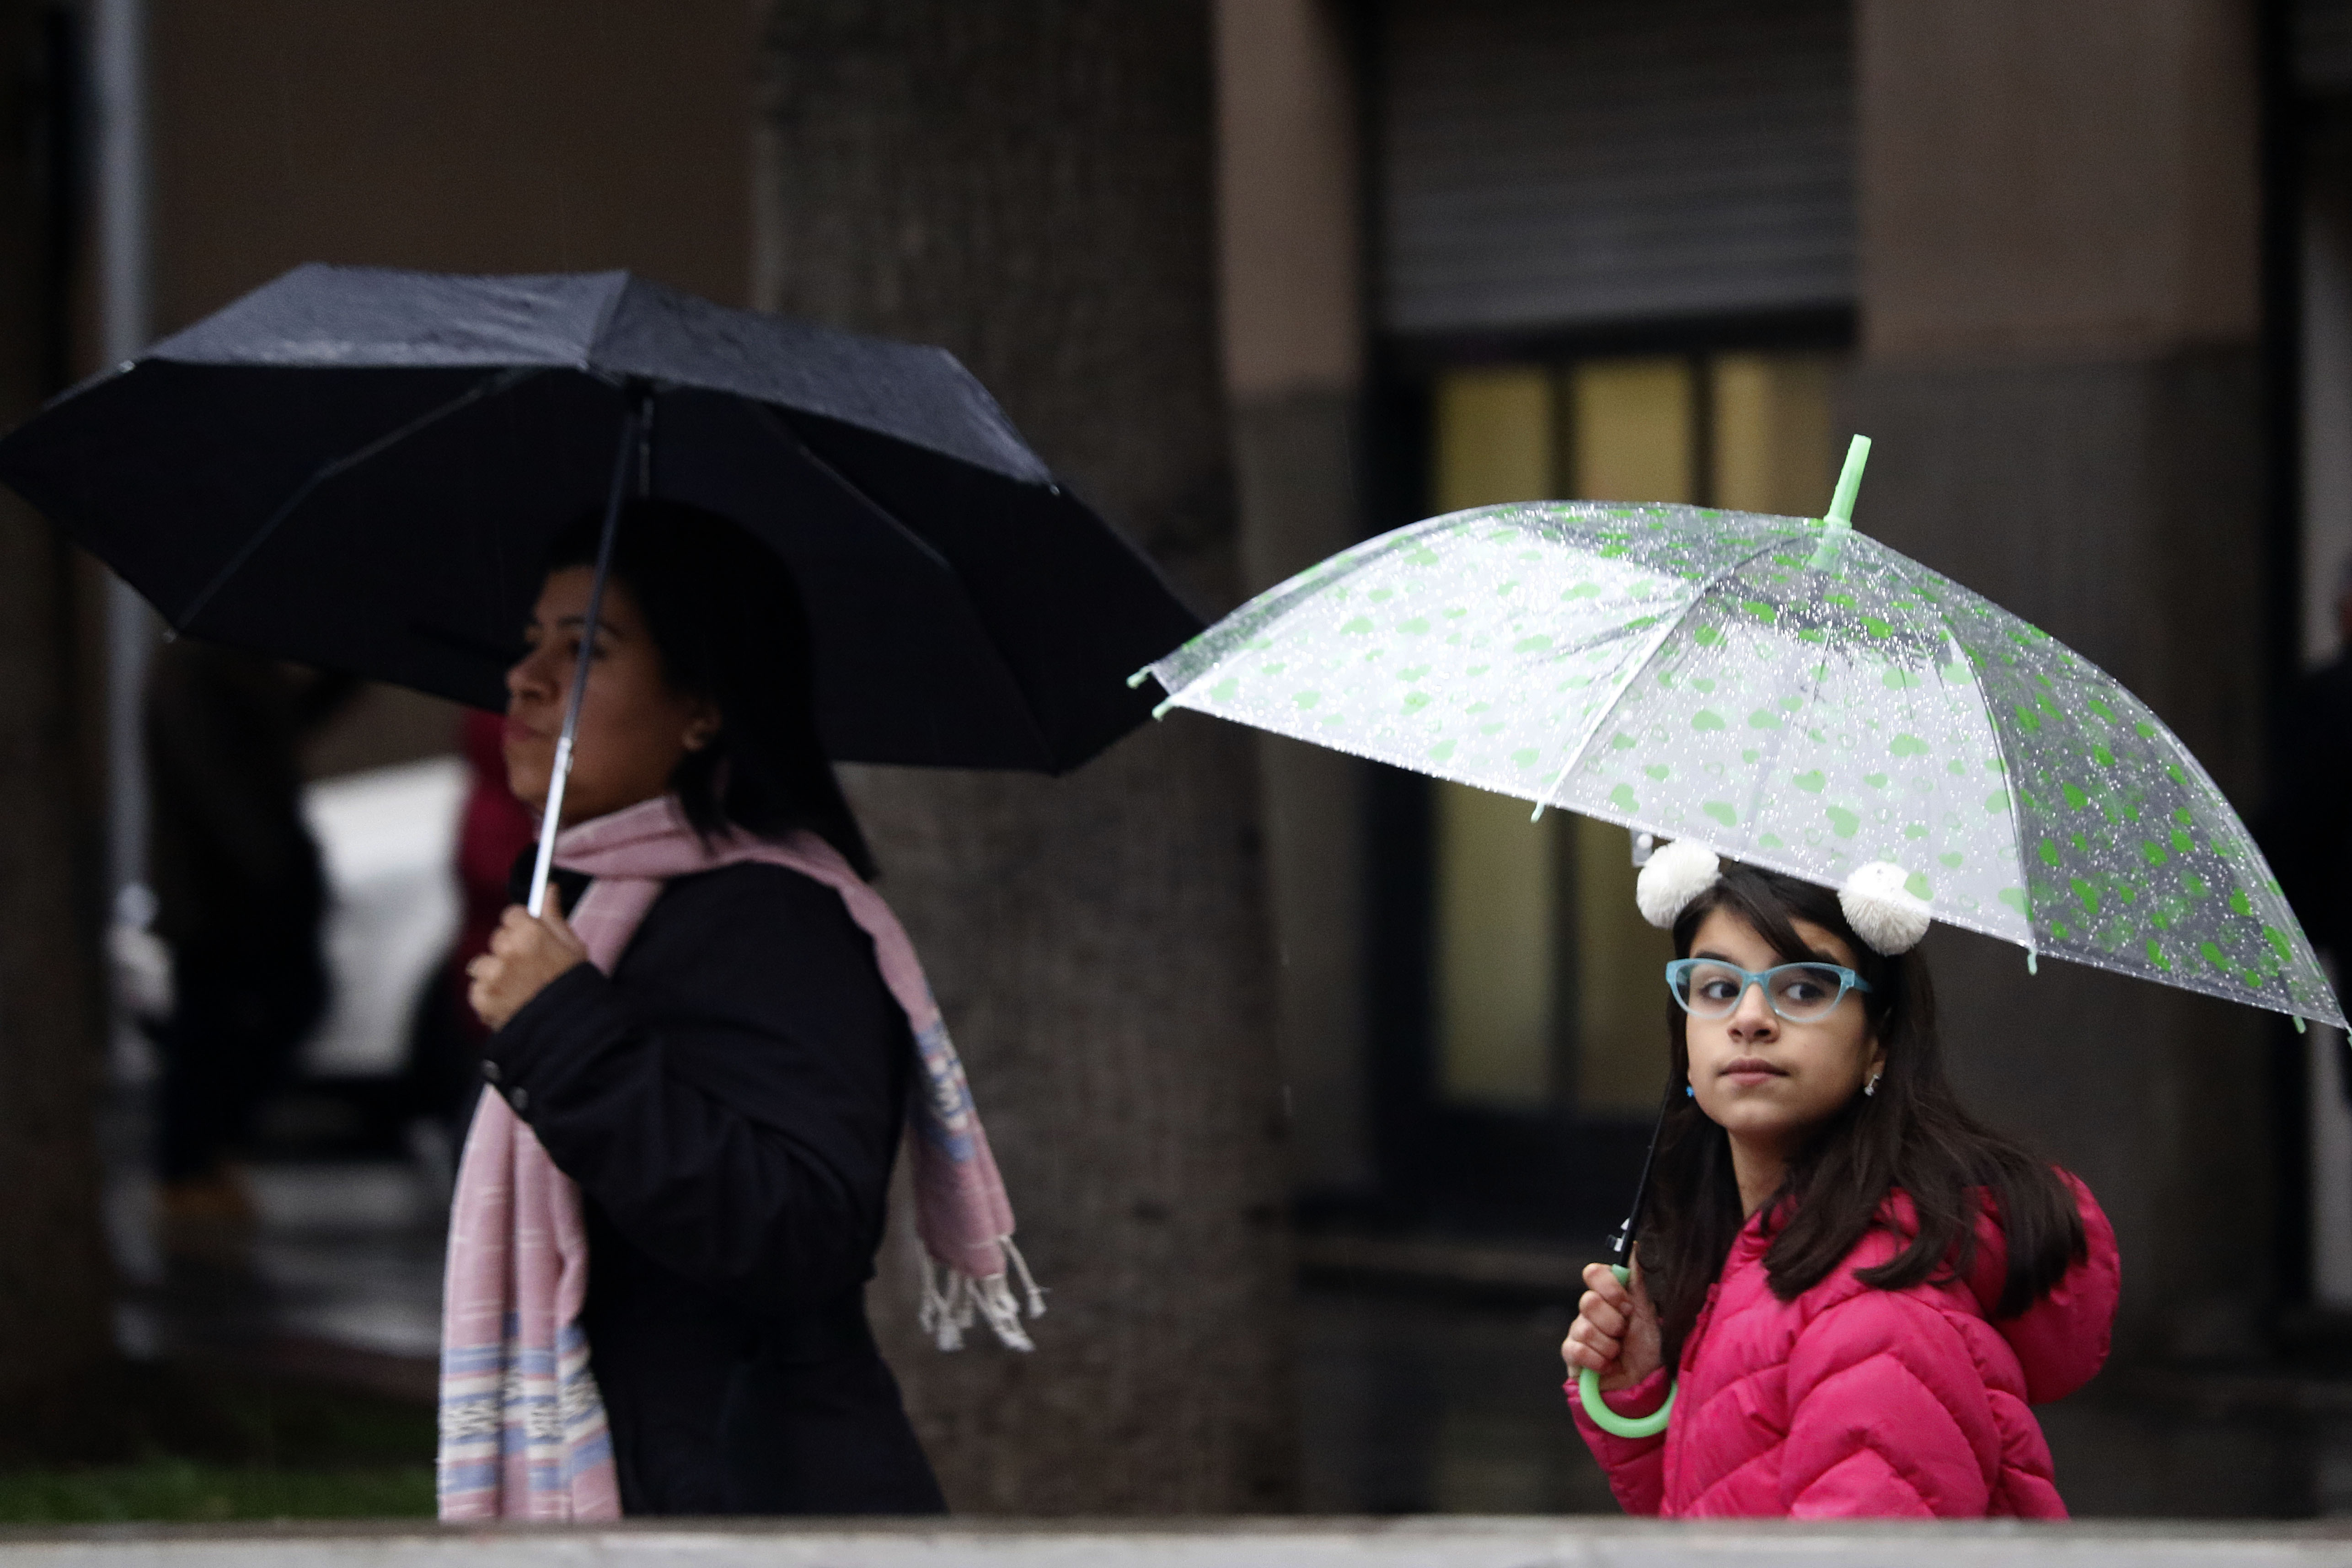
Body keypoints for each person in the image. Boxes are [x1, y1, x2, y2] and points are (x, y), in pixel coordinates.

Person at [440, 500, 1028, 1519]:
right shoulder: (598, 905)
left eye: (586, 651)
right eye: (532, 641)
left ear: (701, 706)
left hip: (748, 1500)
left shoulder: (774, 915)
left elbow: (802, 1231)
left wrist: (561, 1026)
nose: (525, 679)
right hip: (655, 1481)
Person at [1559, 844, 2120, 1518]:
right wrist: (1644, 1397)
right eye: (1716, 987)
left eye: (1803, 988)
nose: (1749, 1018)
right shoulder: (1768, 1263)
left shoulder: (1875, 1316)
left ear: (1878, 1040)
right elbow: (1729, 1509)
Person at [144, 639, 354, 1230]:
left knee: (234, 1023)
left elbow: (281, 728)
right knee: (213, 1029)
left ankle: (200, 1159)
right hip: (217, 891)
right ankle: (187, 1167)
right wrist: (273, 865)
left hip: (245, 881)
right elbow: (213, 775)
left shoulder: (238, 660)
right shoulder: (195, 663)